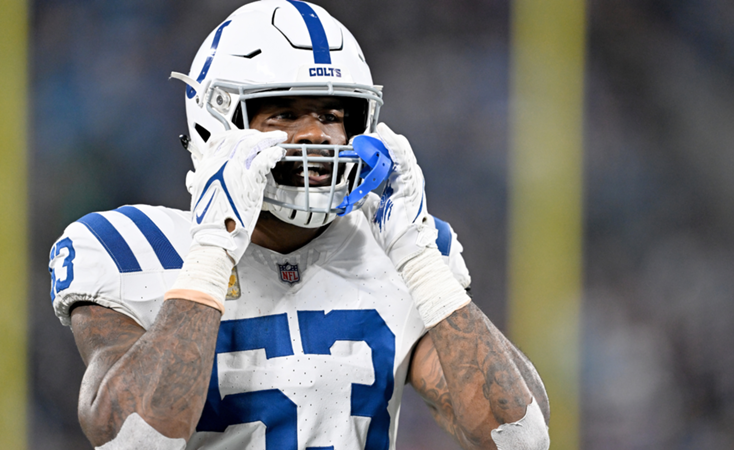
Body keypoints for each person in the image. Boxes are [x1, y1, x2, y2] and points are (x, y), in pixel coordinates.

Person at [48, 1, 550, 449]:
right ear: (213, 123)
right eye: (284, 113)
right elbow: (132, 440)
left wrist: (421, 261)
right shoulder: (129, 247)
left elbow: (517, 439)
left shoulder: (399, 247)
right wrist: (211, 252)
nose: (316, 134)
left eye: (332, 114)